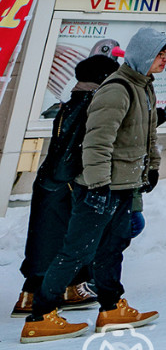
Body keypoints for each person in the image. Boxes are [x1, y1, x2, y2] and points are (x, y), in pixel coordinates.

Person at [20, 31, 166, 343]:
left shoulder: (145, 89)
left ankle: (111, 308)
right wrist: (98, 184)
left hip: (125, 184)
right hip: (100, 186)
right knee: (76, 250)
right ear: (143, 54)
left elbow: (149, 134)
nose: (165, 58)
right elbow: (97, 141)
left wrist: (151, 168)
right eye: (160, 53)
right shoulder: (117, 89)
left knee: (112, 249)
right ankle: (41, 315)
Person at [14, 55, 117, 318]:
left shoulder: (73, 102)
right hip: (67, 182)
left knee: (49, 237)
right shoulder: (90, 104)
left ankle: (60, 289)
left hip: (54, 180)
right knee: (67, 238)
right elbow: (79, 148)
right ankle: (40, 295)